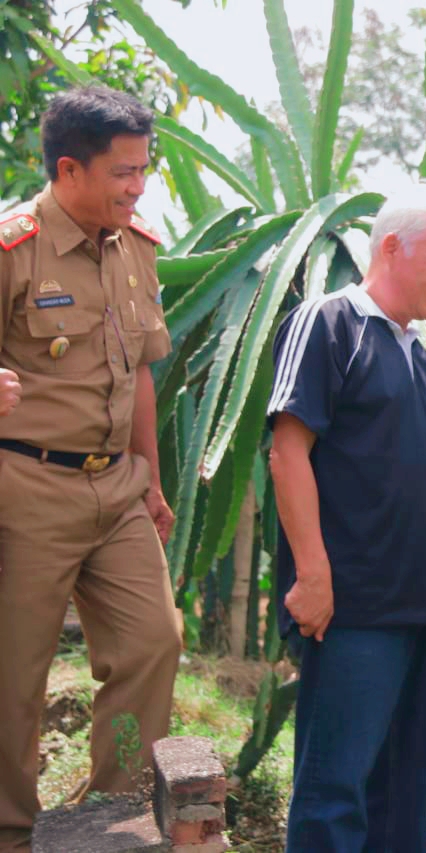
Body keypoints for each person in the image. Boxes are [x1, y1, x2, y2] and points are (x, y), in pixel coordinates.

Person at [0, 86, 181, 852]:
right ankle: (8, 831)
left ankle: (113, 819)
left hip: (118, 486)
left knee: (154, 641)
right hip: (26, 489)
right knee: (14, 678)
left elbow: (139, 369)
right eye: (123, 173)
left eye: (143, 170)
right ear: (69, 169)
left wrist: (152, 475)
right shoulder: (14, 245)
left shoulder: (135, 245)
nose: (137, 187)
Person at [267, 182, 426, 851]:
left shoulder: (418, 354)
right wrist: (313, 574)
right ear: (391, 248)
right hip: (347, 608)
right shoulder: (326, 323)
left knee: (405, 790)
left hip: (409, 612)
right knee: (335, 791)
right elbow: (287, 450)